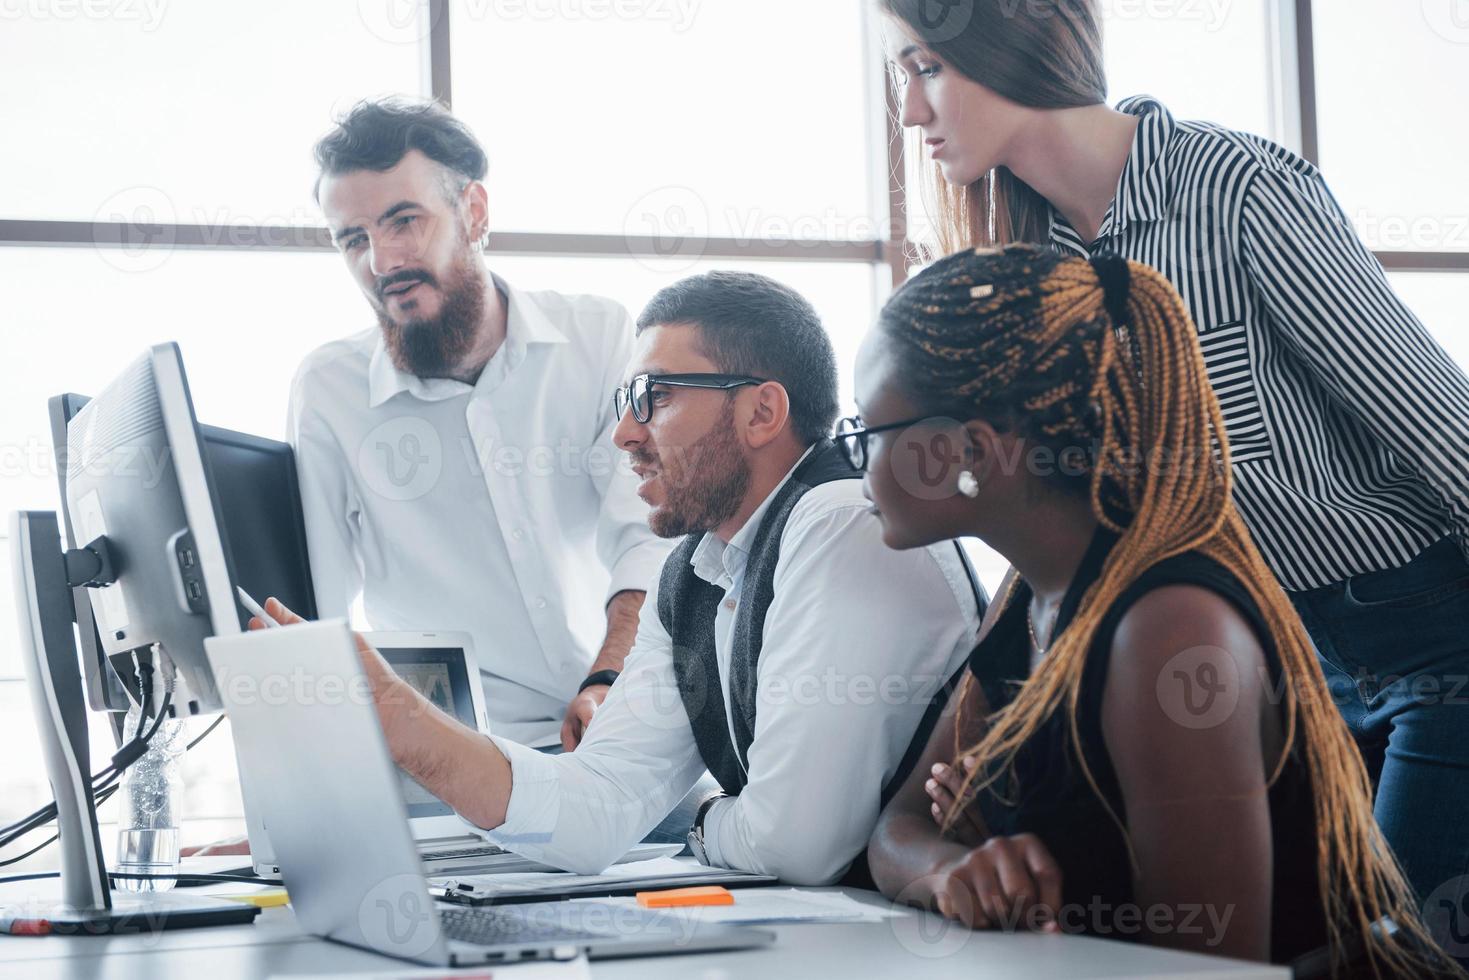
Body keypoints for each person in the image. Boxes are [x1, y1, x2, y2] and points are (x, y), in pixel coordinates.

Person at [881, 0, 1469, 918]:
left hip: (1422, 643)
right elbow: (1081, 527)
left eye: (924, 69)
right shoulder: (1035, 266)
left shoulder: (1234, 188)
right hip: (1261, 670)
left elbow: (1435, 424)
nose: (910, 113)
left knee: (1403, 949)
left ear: (1011, 45)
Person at [258, 270, 982, 885]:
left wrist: (691, 816)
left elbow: (797, 846)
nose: (624, 435)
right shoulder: (691, 578)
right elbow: (591, 811)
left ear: (762, 411)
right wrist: (400, 720)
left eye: (655, 397)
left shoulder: (839, 524)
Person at [854, 245, 1461, 973]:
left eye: (867, 433)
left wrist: (1011, 851)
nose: (858, 462)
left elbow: (1201, 969)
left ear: (971, 450)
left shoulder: (1167, 629)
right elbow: (898, 830)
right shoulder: (1025, 596)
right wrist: (952, 869)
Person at [293, 99, 671, 751]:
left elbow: (644, 535)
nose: (380, 262)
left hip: (618, 724)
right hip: (451, 758)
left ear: (474, 211)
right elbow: (311, 621)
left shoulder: (598, 335)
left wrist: (608, 676)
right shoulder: (329, 390)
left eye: (403, 222)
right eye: (353, 239)